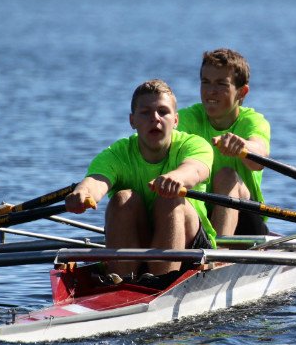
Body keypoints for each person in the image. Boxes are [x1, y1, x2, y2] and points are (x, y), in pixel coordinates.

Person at [65, 79, 215, 281]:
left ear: (176, 120)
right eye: (145, 112)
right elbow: (96, 181)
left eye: (163, 112)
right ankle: (120, 283)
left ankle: (162, 282)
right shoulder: (117, 154)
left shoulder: (194, 145)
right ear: (132, 121)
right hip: (138, 245)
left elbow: (196, 170)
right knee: (122, 199)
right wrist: (83, 193)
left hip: (191, 251)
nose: (155, 118)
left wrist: (176, 178)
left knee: (169, 199)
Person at [177, 48, 271, 236]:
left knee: (226, 176)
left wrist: (243, 147)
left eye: (221, 84)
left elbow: (259, 158)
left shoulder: (252, 121)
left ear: (242, 92)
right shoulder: (187, 118)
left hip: (246, 225)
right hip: (200, 217)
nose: (210, 91)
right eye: (206, 82)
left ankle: (218, 251)